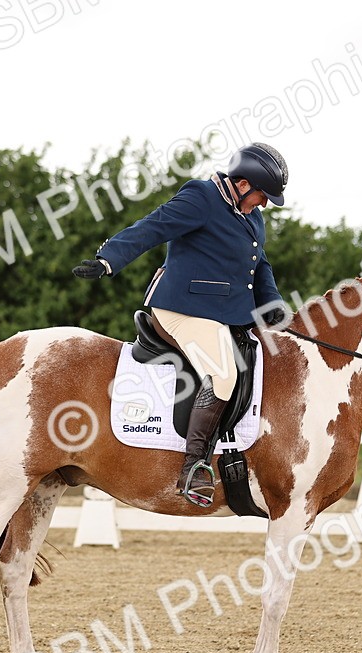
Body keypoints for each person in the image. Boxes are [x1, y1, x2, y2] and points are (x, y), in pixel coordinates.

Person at [72, 142, 289, 506]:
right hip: (181, 308)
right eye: (262, 195)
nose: (264, 204)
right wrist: (108, 260)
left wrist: (274, 305)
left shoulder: (252, 217)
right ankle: (194, 465)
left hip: (226, 313)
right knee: (224, 374)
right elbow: (153, 227)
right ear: (242, 183)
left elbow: (259, 264)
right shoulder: (201, 197)